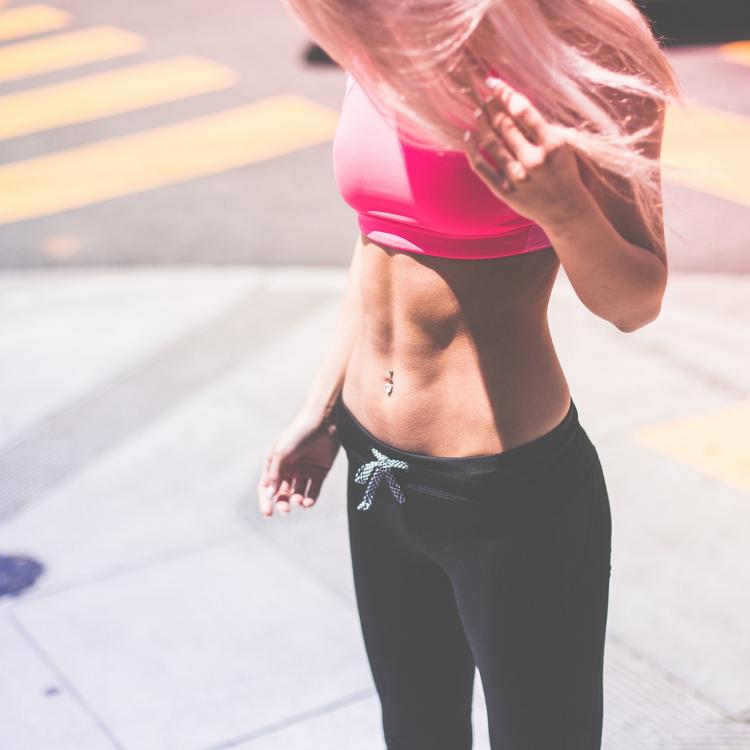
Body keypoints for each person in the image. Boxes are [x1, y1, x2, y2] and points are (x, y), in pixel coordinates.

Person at [259, 1, 684, 747]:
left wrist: (564, 208)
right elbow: (377, 248)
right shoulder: (378, 24)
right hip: (374, 468)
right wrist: (321, 408)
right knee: (416, 730)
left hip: (506, 494)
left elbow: (636, 302)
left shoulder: (592, 44)